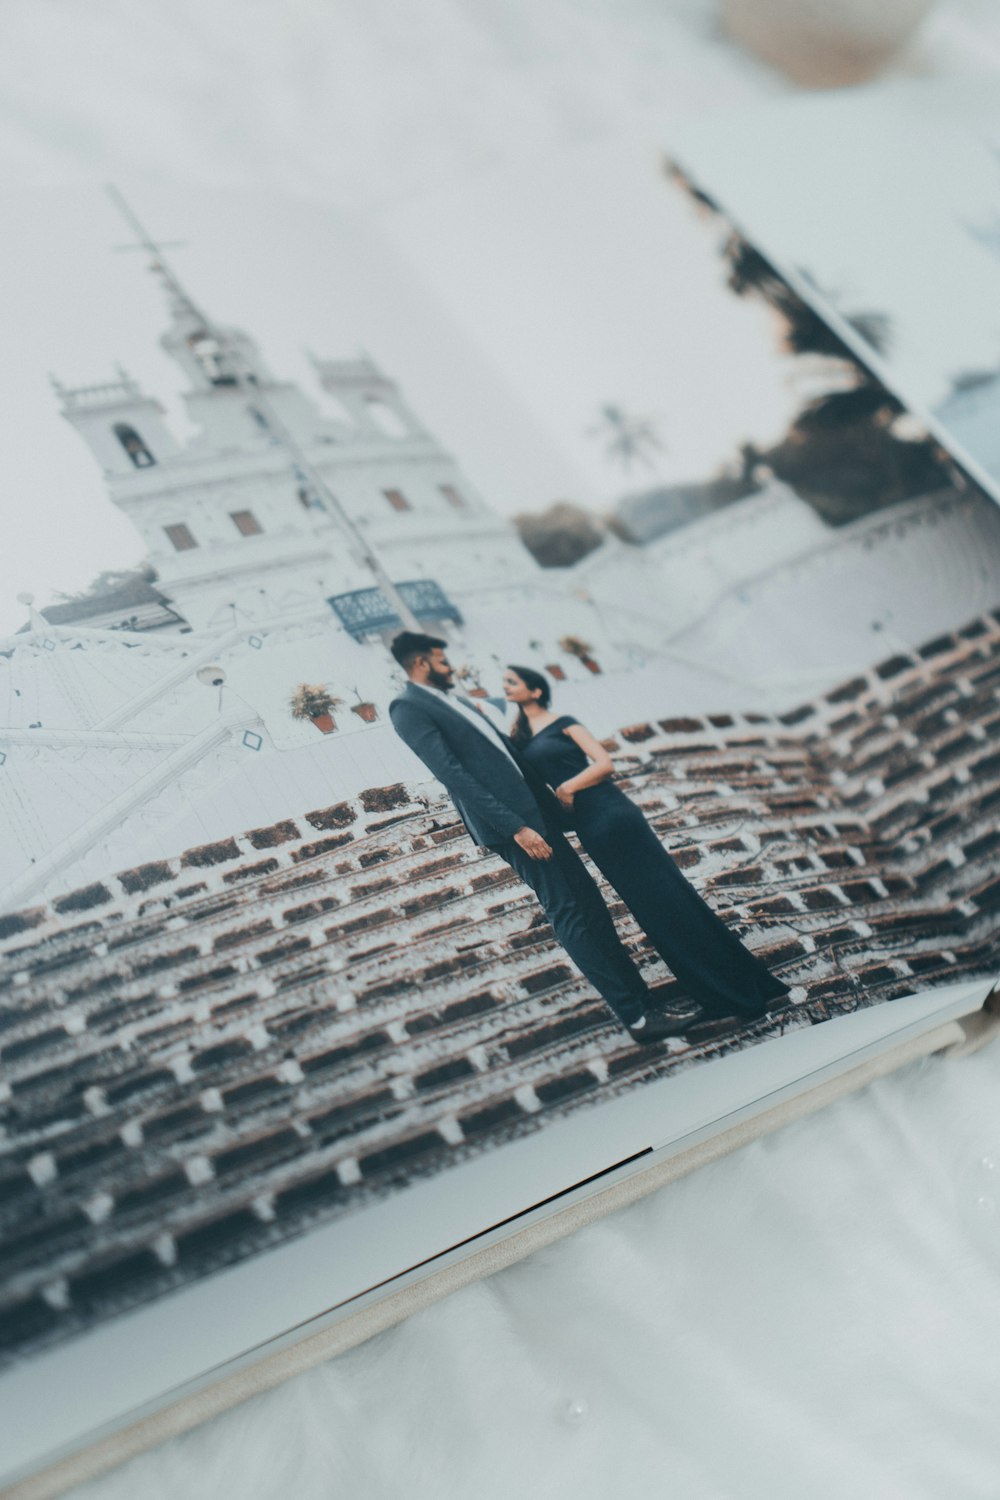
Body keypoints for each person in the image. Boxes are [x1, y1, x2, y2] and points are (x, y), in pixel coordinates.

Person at [388, 631, 702, 1047]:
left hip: (538, 816)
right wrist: (516, 827)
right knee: (569, 910)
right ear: (422, 663)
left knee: (590, 904)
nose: (451, 669)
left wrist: (553, 806)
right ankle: (636, 1018)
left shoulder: (458, 701)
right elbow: (452, 774)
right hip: (515, 827)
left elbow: (504, 758)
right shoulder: (408, 707)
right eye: (443, 662)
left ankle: (647, 1004)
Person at [503, 664, 793, 1023]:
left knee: (673, 899)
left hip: (613, 814)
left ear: (534, 690)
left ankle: (741, 992)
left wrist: (568, 788)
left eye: (512, 681)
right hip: (590, 828)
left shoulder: (564, 722)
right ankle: (716, 994)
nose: (505, 687)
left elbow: (605, 763)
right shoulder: (518, 739)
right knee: (651, 912)